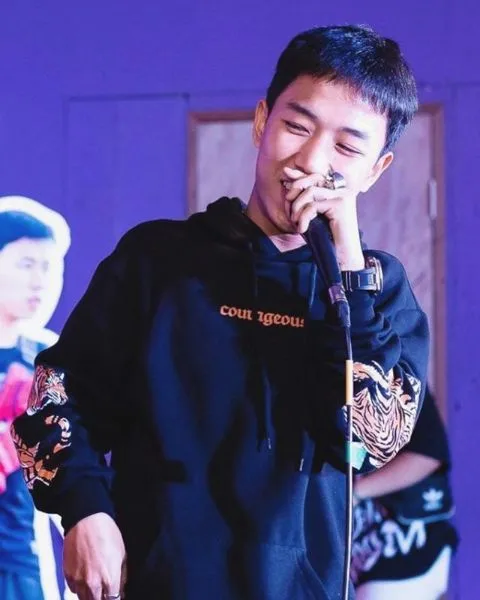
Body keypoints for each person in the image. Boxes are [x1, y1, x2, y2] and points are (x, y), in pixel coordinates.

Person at [12, 25, 429, 600]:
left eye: (347, 148)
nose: (311, 160)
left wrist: (348, 269)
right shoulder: (158, 260)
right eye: (297, 126)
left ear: (375, 170)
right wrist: (84, 510)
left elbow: (371, 440)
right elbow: (56, 396)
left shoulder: (377, 289)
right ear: (261, 122)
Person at [0, 196, 72, 600]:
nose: (39, 281)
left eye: (49, 267)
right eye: (26, 264)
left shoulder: (47, 358)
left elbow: (62, 468)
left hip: (22, 563)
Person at [351, 386, 458, 600]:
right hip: (356, 554)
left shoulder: (397, 377)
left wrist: (355, 493)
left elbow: (427, 456)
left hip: (408, 548)